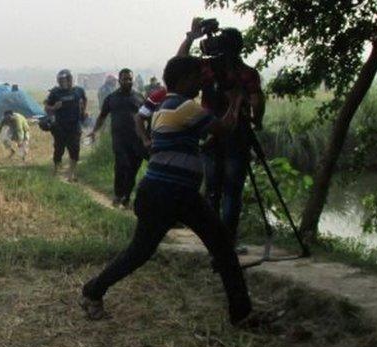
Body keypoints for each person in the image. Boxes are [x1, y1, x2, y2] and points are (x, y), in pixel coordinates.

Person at [79, 55, 253, 326]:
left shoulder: (164, 107)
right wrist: (236, 101)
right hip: (173, 192)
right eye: (197, 77)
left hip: (160, 192)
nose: (201, 83)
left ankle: (93, 291)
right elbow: (225, 128)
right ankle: (242, 315)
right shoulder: (185, 108)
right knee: (222, 247)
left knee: (139, 253)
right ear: (184, 80)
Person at [180, 18, 265, 247]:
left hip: (209, 133)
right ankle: (227, 240)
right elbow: (257, 101)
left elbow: (179, 62)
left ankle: (211, 239)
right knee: (231, 191)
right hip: (237, 136)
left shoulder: (207, 69)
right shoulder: (247, 73)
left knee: (212, 190)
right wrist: (257, 121)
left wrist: (191, 38)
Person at [87, 68, 145, 207]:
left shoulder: (139, 97)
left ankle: (127, 198)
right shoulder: (111, 98)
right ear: (119, 81)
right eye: (124, 79)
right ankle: (118, 195)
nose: (127, 81)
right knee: (122, 166)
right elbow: (102, 116)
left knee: (132, 170)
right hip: (119, 140)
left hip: (136, 140)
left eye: (130, 79)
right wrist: (94, 131)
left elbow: (146, 117)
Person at [44, 69, 87, 181]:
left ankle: (71, 174)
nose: (63, 82)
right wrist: (54, 107)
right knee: (59, 149)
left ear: (70, 79)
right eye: (61, 80)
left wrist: (83, 111)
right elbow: (47, 107)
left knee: (75, 149)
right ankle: (56, 170)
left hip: (75, 125)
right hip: (60, 126)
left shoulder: (78, 91)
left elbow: (84, 100)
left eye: (65, 80)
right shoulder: (55, 92)